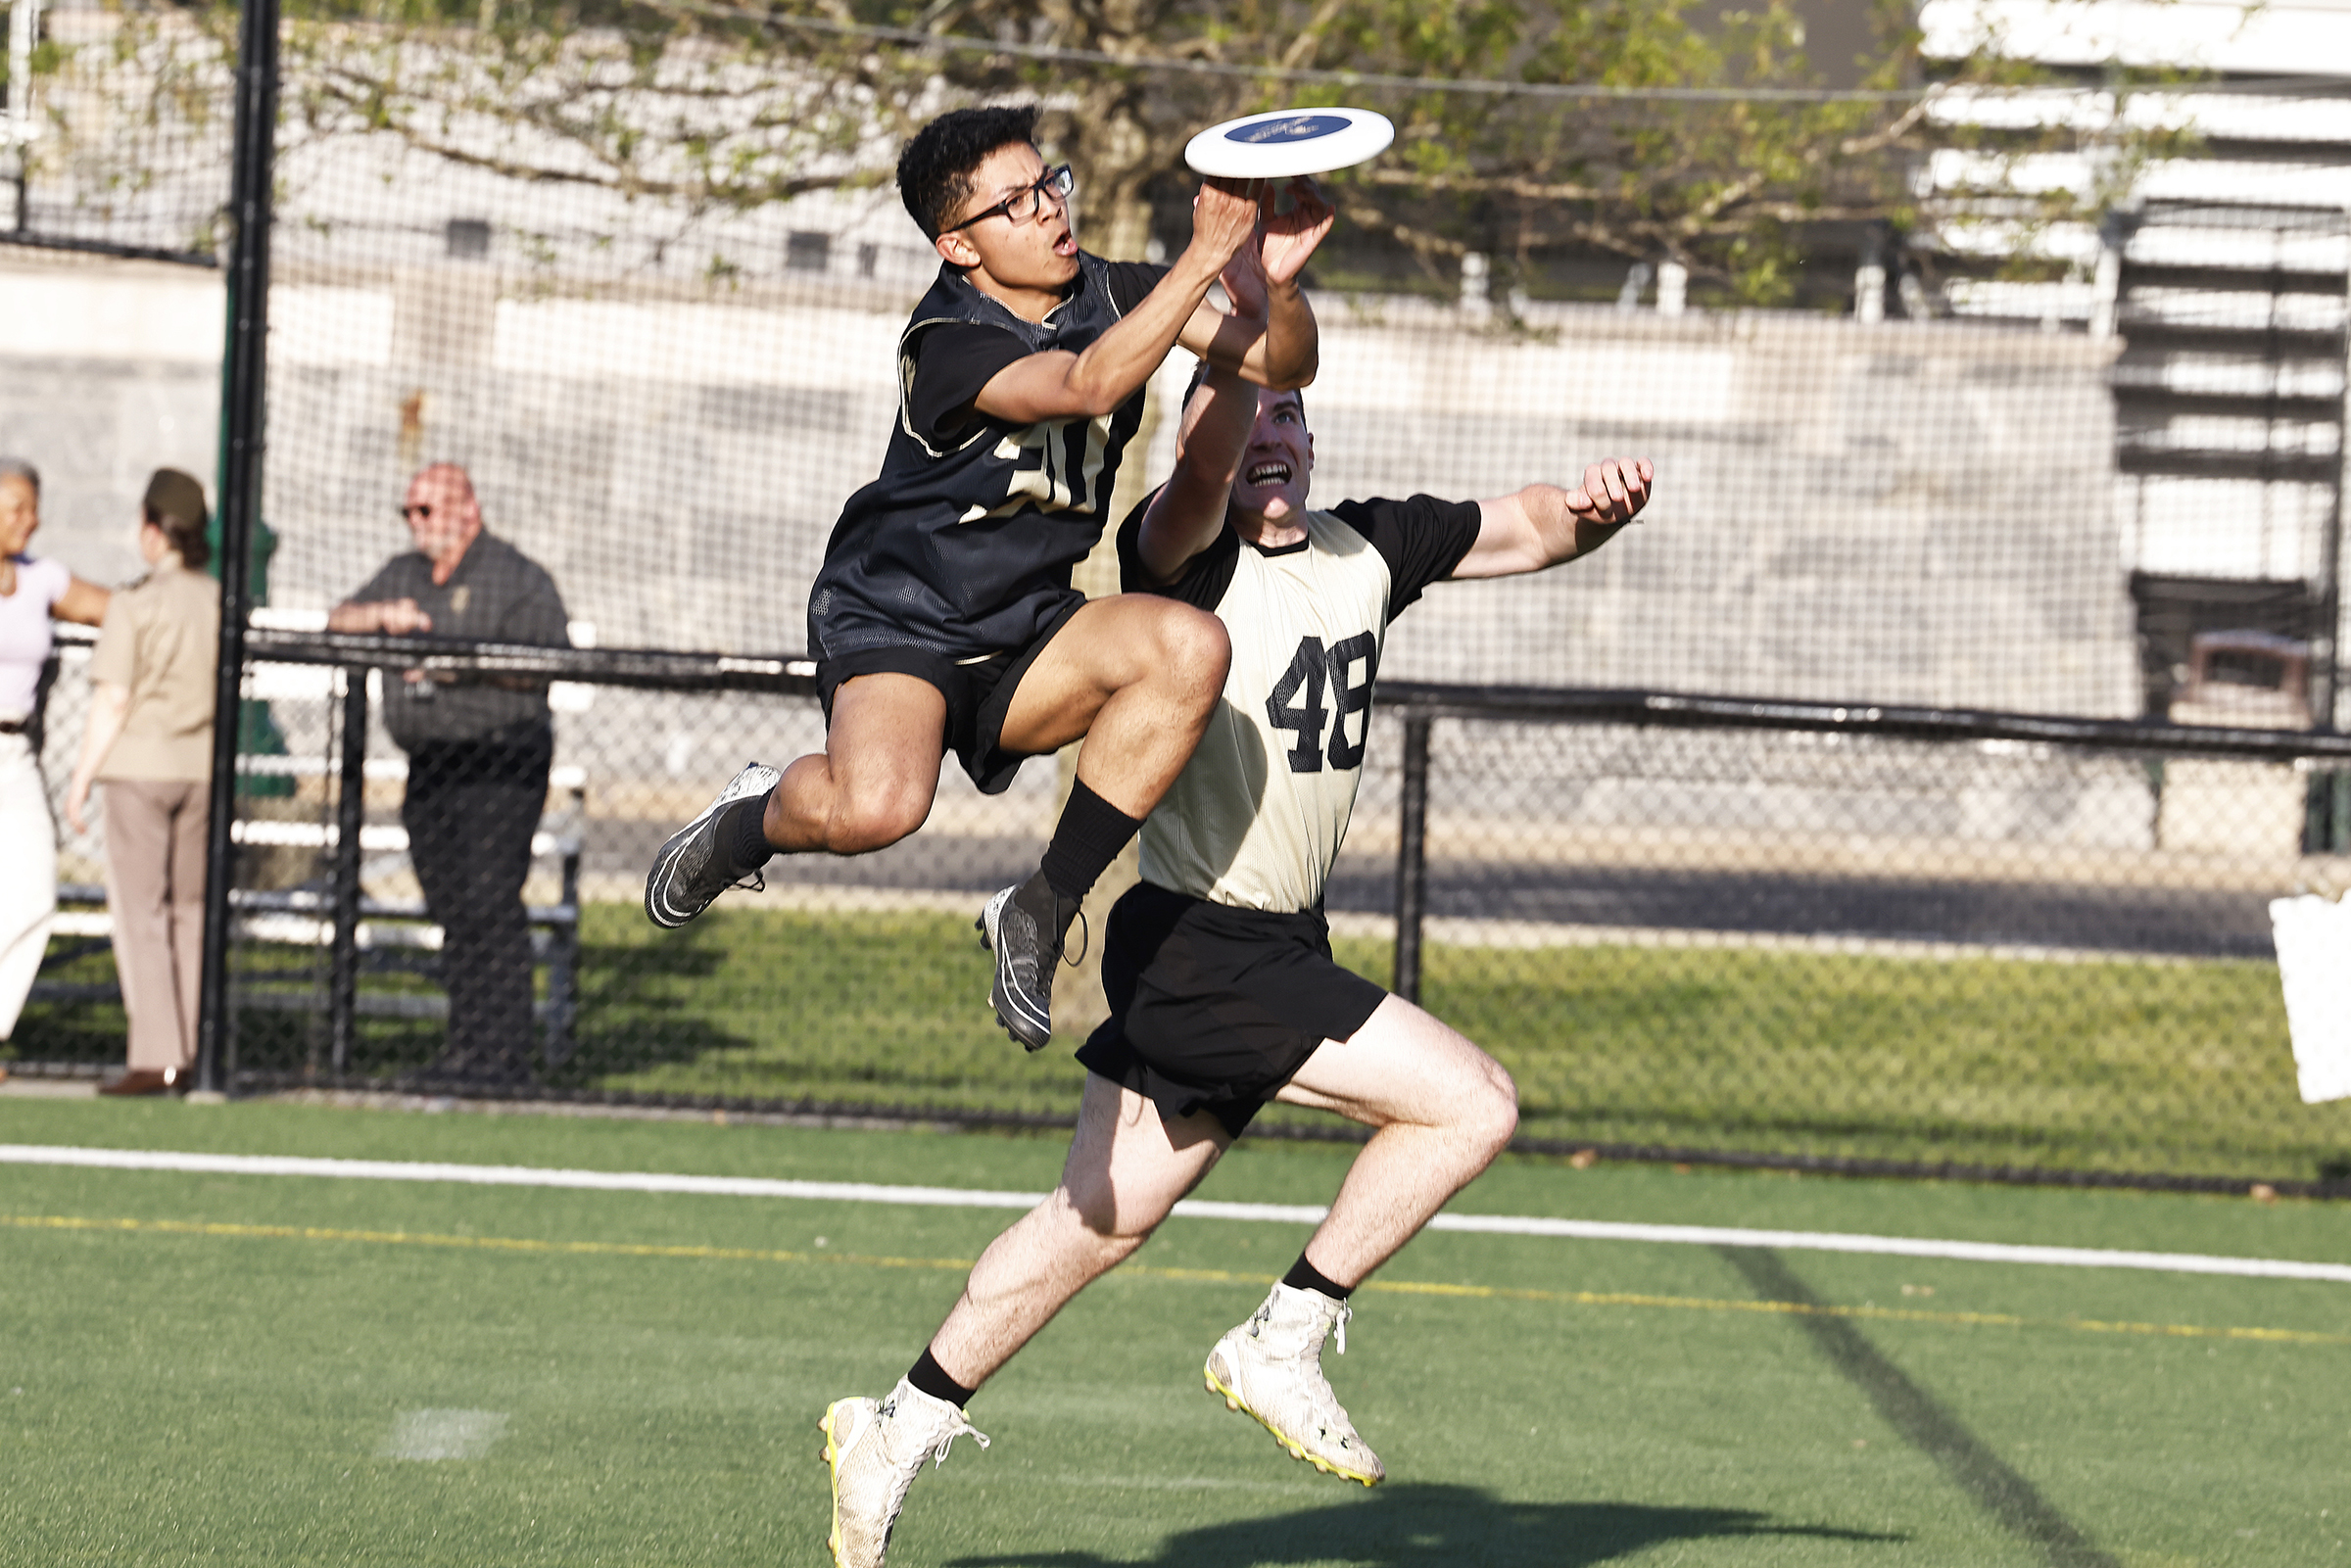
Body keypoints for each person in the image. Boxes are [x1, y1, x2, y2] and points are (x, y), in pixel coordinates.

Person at [815, 309, 1655, 1566]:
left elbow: (1529, 524)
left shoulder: (1370, 545)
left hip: (1250, 942)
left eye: (1288, 414)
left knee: (1094, 1222)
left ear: (1312, 439)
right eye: (1247, 412)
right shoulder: (1185, 560)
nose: (1270, 433)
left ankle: (898, 1421)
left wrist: (1599, 509)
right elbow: (1195, 471)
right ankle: (1282, 1334)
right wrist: (1235, 339)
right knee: (1472, 1103)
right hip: (1208, 940)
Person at [642, 103, 1334, 1052]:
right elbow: (1086, 385)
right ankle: (749, 822)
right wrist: (1201, 261)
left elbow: (1285, 359)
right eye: (1015, 202)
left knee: (1189, 643)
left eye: (1051, 182)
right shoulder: (948, 344)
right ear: (957, 245)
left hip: (1029, 629)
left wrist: (1273, 288)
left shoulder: (1118, 288)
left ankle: (1042, 906)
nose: (1050, 208)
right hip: (902, 618)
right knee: (878, 806)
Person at [329, 463, 569, 1083]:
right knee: (451, 907)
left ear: (467, 508)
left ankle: (506, 1056)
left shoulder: (516, 579)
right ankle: (466, 1046)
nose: (416, 524)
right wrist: (383, 616)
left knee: (490, 901)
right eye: (409, 512)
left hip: (500, 763)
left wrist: (452, 664)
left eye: (427, 511)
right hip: (431, 764)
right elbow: (338, 618)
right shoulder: (405, 574)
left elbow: (541, 666)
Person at [64, 469, 221, 1096]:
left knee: (140, 914)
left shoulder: (135, 603)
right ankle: (193, 1047)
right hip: (201, 769)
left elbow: (114, 700)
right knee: (190, 911)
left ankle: (157, 1056)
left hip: (139, 768)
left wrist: (80, 780)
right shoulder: (219, 600)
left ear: (154, 531)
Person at [0, 457, 110, 1065]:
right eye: (16, 507)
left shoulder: (40, 578)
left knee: (35, 888)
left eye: (33, 507)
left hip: (14, 752)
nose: (30, 520)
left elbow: (111, 610)